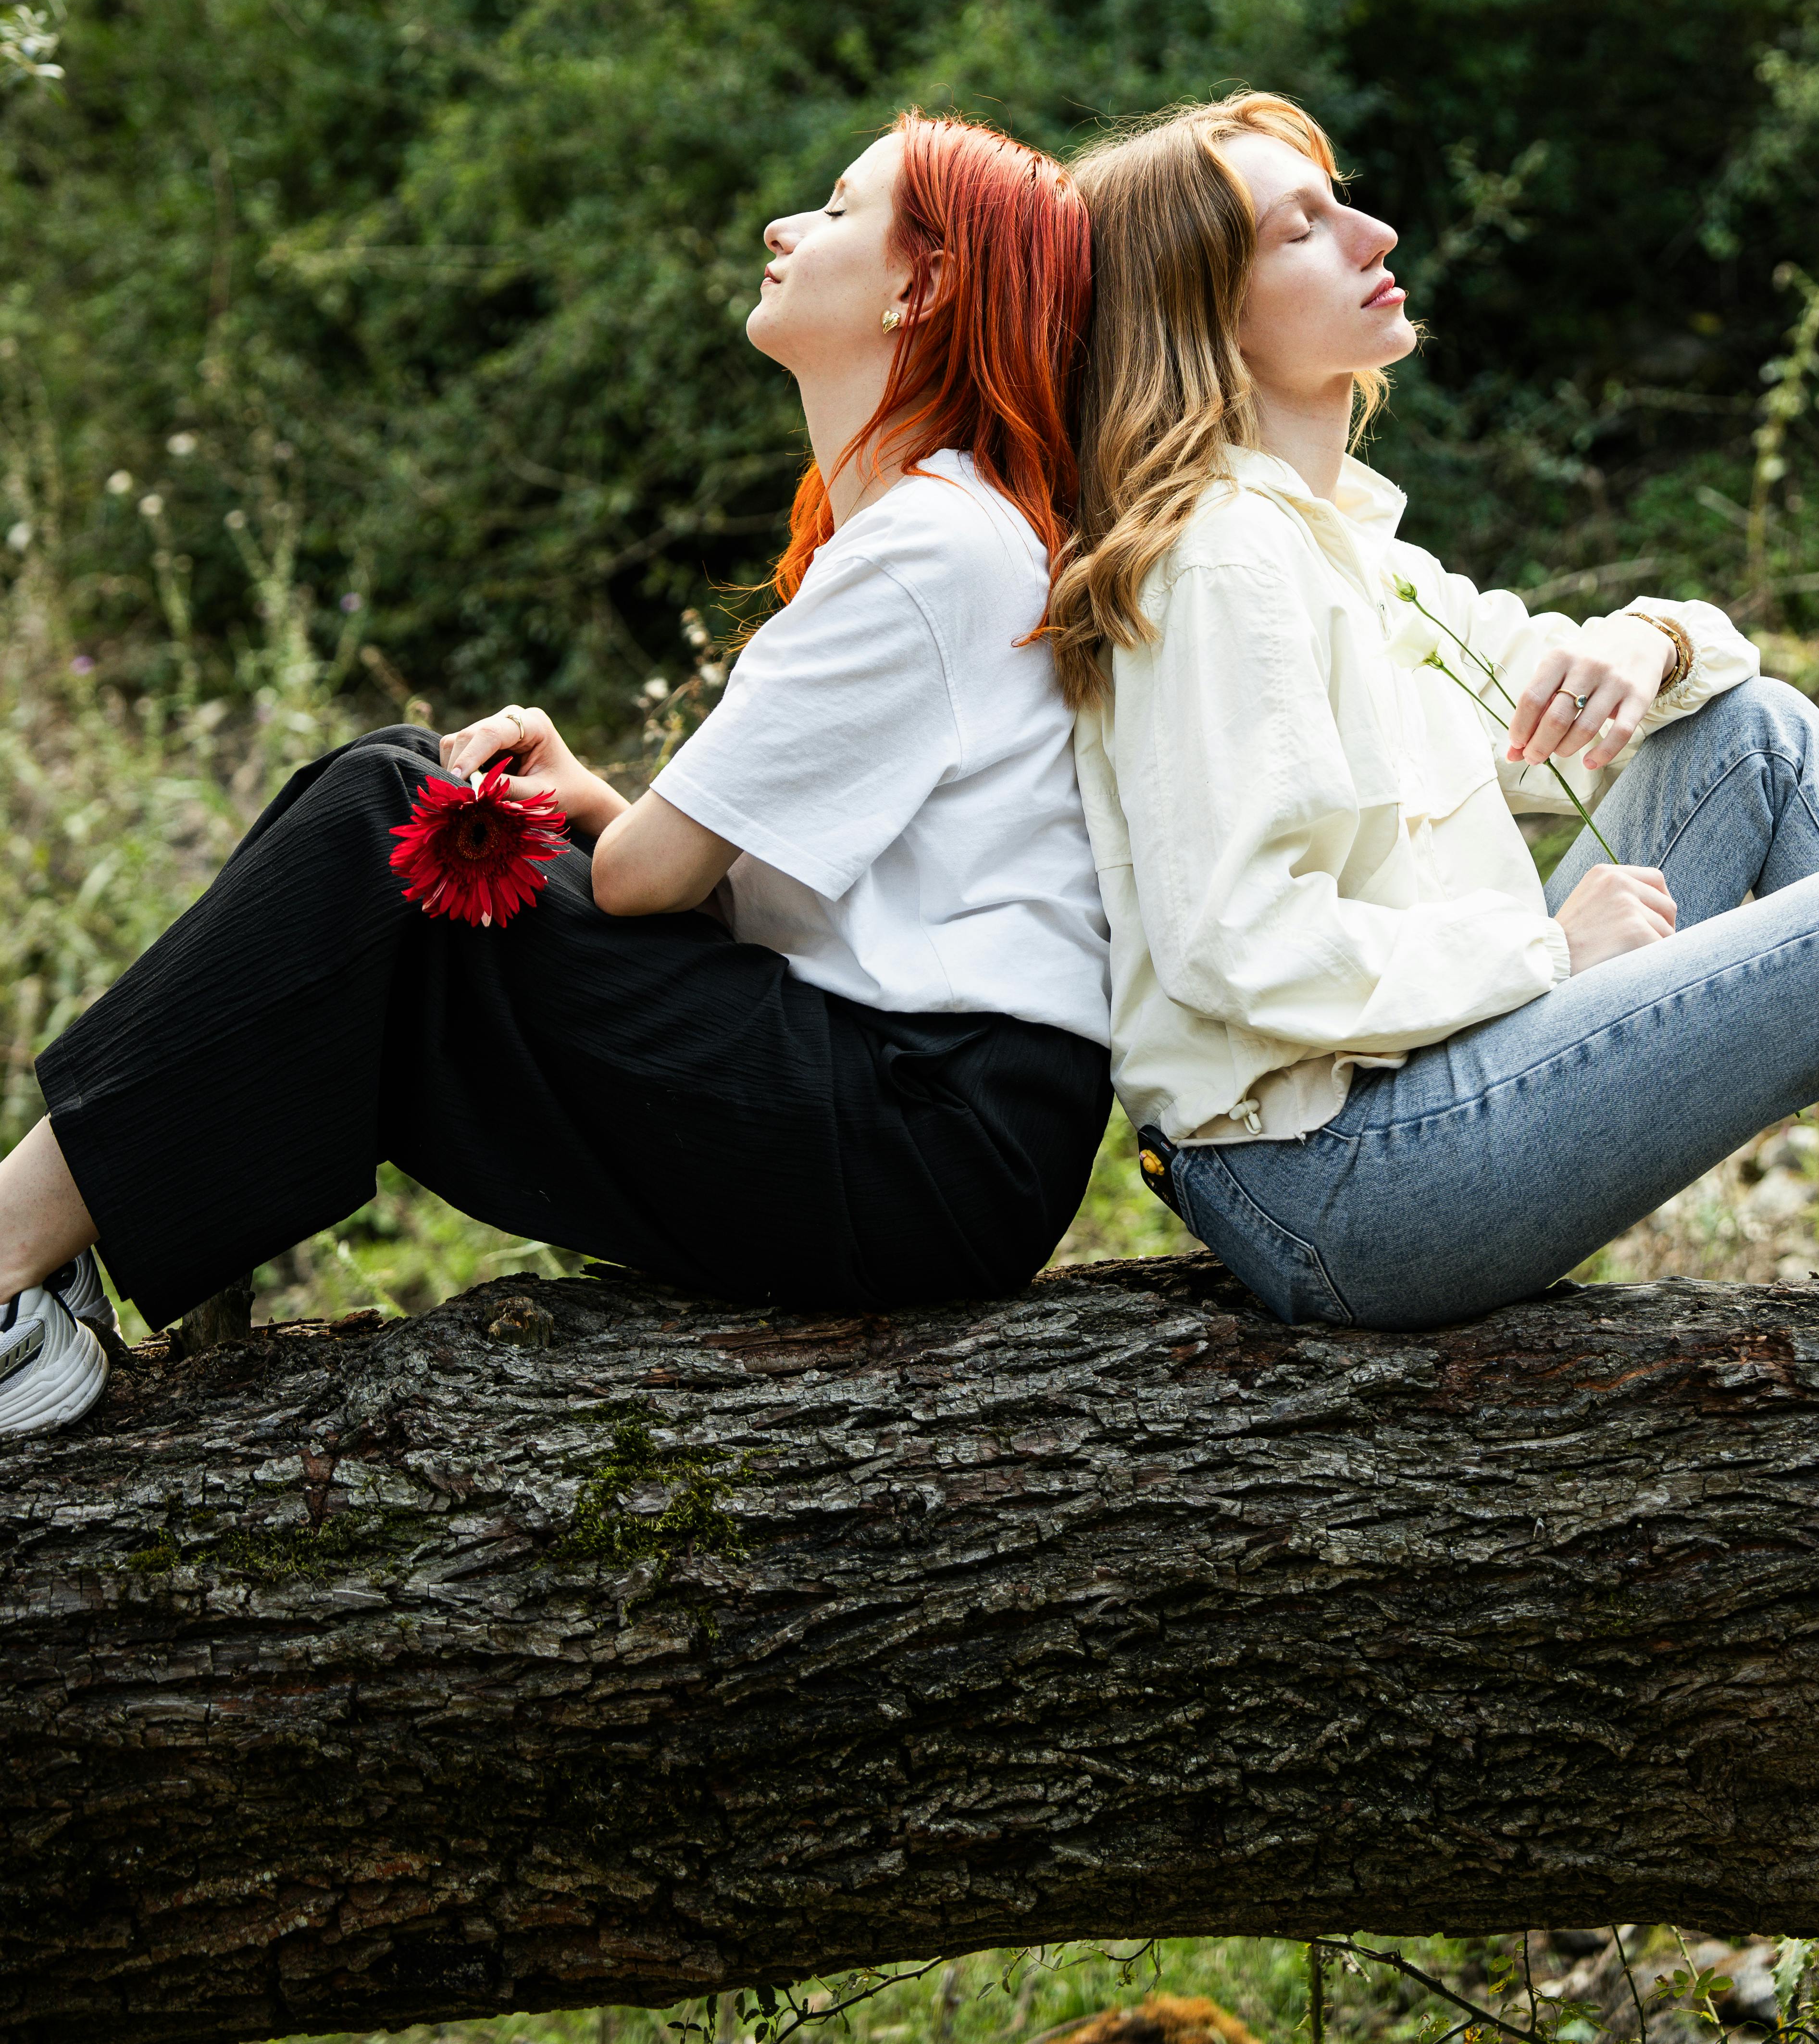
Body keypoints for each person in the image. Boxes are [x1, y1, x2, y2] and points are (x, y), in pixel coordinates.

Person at [0, 113, 1113, 1433]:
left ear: (918, 284)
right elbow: (761, 891)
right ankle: (44, 1265)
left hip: (925, 1132)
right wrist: (588, 797)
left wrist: (607, 828)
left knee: (390, 811)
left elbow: (647, 884)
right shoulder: (950, 529)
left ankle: (13, 1270)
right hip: (926, 1121)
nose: (784, 228)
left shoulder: (934, 541)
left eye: (834, 209)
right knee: (402, 789)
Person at [1047, 90, 1819, 1331]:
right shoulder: (1221, 564)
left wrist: (1652, 639)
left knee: (1758, 739)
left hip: (1421, 1096)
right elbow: (1238, 945)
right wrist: (1547, 950)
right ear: (1200, 309)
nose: (1373, 234)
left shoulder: (1353, 552)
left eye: (1345, 203)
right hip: (1335, 1178)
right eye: (1301, 229)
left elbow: (1620, 679)